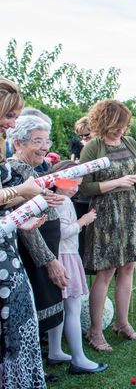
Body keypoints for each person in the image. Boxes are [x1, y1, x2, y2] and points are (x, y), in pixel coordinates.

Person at [78, 100, 136, 352]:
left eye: (123, 125)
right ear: (104, 123)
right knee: (106, 271)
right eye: (115, 126)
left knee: (128, 267)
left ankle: (122, 323)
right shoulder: (92, 148)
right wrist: (117, 182)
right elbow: (83, 187)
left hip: (130, 210)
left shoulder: (129, 143)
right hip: (106, 213)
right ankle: (95, 332)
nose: (120, 130)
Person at [6, 115, 72, 369]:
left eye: (46, 141)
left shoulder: (32, 169)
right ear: (18, 143)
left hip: (46, 250)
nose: (45, 147)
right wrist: (50, 261)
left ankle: (40, 364)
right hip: (34, 256)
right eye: (37, 141)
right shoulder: (16, 173)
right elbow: (26, 226)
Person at [0, 77, 51, 387]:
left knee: (19, 326)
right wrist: (22, 190)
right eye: (9, 115)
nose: (13, 123)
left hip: (7, 245)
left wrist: (20, 217)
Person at [51, 160, 108, 375]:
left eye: (78, 183)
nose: (76, 187)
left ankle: (56, 350)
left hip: (60, 256)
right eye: (72, 182)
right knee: (72, 309)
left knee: (59, 308)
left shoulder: (54, 199)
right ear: (59, 180)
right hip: (66, 257)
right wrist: (83, 221)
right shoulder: (63, 202)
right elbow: (62, 233)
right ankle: (79, 358)